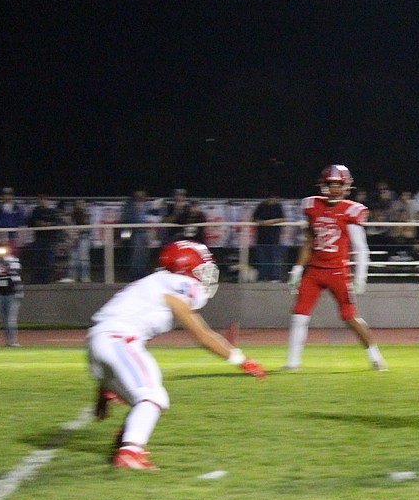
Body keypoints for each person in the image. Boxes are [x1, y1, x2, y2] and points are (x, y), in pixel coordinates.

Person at [88, 240, 266, 469]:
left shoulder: (154, 283)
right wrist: (242, 360)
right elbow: (202, 335)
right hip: (118, 341)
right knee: (153, 397)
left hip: (99, 344)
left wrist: (105, 388)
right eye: (202, 269)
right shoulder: (177, 283)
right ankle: (130, 452)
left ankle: (127, 438)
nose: (206, 276)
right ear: (185, 268)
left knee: (141, 399)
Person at [285, 165, 386, 371]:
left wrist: (361, 277)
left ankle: (375, 357)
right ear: (323, 185)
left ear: (346, 186)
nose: (334, 189)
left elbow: (361, 248)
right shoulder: (312, 206)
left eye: (338, 185)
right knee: (299, 315)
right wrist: (297, 269)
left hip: (338, 272)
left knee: (350, 317)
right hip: (313, 270)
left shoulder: (351, 210)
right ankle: (292, 362)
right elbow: (308, 241)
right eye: (331, 185)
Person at [252, 192, 286, 282]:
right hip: (261, 237)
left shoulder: (278, 206)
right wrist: (261, 222)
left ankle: (275, 277)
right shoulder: (261, 206)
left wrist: (270, 222)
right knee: (262, 259)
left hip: (274, 238)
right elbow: (254, 218)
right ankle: (263, 277)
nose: (271, 200)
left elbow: (282, 219)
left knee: (275, 259)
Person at [27, 193, 61, 284]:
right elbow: (31, 223)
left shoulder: (51, 211)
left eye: (43, 199)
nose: (42, 201)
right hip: (38, 239)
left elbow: (56, 224)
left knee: (47, 260)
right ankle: (36, 280)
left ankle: (46, 280)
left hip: (49, 240)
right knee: (37, 260)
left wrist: (47, 224)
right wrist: (38, 223)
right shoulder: (35, 211)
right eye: (40, 200)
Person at [120, 190, 154, 280]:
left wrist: (152, 235)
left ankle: (143, 274)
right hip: (132, 233)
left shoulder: (148, 205)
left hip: (145, 233)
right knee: (133, 253)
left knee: (145, 254)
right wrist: (124, 237)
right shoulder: (128, 206)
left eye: (142, 195)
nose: (140, 196)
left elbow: (152, 219)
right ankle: (134, 275)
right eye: (137, 194)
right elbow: (124, 221)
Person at [0, 187, 25, 253]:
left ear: (12, 196)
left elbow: (21, 223)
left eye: (9, 195)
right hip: (0, 238)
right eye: (5, 195)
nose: (7, 197)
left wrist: (20, 241)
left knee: (13, 258)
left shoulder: (18, 209)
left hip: (13, 238)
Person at [66, 199, 92, 282]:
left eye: (82, 203)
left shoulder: (86, 215)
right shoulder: (72, 214)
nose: (80, 205)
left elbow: (87, 228)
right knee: (73, 259)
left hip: (84, 238)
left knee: (84, 259)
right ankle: (72, 277)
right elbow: (69, 226)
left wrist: (78, 231)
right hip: (73, 238)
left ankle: (85, 277)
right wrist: (73, 236)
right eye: (78, 203)